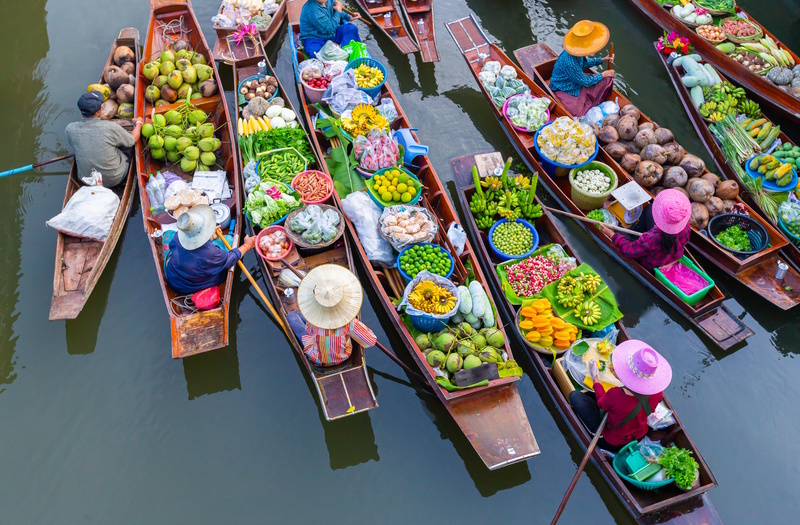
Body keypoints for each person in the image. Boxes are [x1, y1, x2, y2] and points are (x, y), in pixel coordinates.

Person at [569, 340, 672, 452]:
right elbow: (637, 394)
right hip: (639, 435)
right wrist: (620, 377)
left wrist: (595, 378)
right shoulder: (657, 392)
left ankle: (595, 435)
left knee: (575, 396)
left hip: (612, 442)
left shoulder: (616, 395)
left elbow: (601, 403)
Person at [295, 264, 376, 367]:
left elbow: (309, 332)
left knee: (292, 317)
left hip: (317, 359)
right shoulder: (350, 323)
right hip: (343, 357)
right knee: (348, 334)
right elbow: (371, 340)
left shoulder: (312, 321)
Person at [164, 205, 256, 295]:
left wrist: (210, 236)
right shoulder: (210, 253)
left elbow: (177, 247)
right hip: (191, 287)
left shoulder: (177, 237)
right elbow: (230, 259)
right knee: (230, 242)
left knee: (169, 235)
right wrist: (247, 245)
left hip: (173, 277)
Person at [600, 188, 692, 271]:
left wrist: (611, 234)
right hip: (670, 255)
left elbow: (628, 251)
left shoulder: (652, 238)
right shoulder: (685, 225)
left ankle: (623, 232)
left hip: (651, 263)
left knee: (618, 229)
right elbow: (684, 242)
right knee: (650, 208)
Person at [65, 91, 143, 187]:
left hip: (87, 180)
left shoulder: (70, 129)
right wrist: (139, 123)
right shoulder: (110, 127)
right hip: (115, 178)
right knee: (128, 144)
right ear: (99, 111)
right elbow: (133, 139)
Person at [549, 20, 615, 117]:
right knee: (576, 113)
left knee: (607, 80)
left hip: (577, 81)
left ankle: (590, 101)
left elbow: (585, 63)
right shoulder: (570, 62)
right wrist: (604, 74)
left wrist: (603, 59)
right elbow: (585, 81)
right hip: (563, 88)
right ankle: (589, 102)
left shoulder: (577, 53)